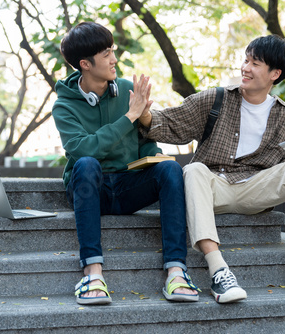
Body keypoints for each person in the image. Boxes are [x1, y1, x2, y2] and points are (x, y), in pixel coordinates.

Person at [136, 34, 285, 303]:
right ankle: (219, 271)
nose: (245, 68)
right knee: (192, 171)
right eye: (246, 60)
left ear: (275, 73)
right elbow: (169, 123)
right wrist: (143, 112)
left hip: (256, 189)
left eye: (255, 63)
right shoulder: (216, 100)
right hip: (212, 187)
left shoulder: (284, 116)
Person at [52, 21, 200, 305]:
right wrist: (130, 117)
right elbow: (84, 148)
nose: (114, 59)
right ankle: (92, 273)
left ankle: (177, 272)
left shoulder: (125, 90)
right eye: (106, 53)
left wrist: (152, 153)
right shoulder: (64, 106)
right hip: (88, 188)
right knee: (86, 164)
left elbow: (144, 140)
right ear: (85, 63)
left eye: (112, 51)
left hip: (126, 187)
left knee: (169, 167)